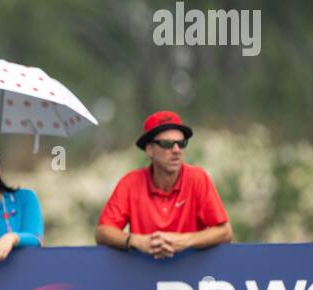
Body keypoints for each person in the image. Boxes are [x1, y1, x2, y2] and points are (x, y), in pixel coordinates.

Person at [95, 110, 232, 258]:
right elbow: (102, 232)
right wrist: (136, 241)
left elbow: (225, 232)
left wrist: (184, 241)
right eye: (167, 144)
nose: (176, 150)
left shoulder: (197, 178)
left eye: (181, 143)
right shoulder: (130, 182)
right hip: (143, 273)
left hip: (192, 274)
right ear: (149, 150)